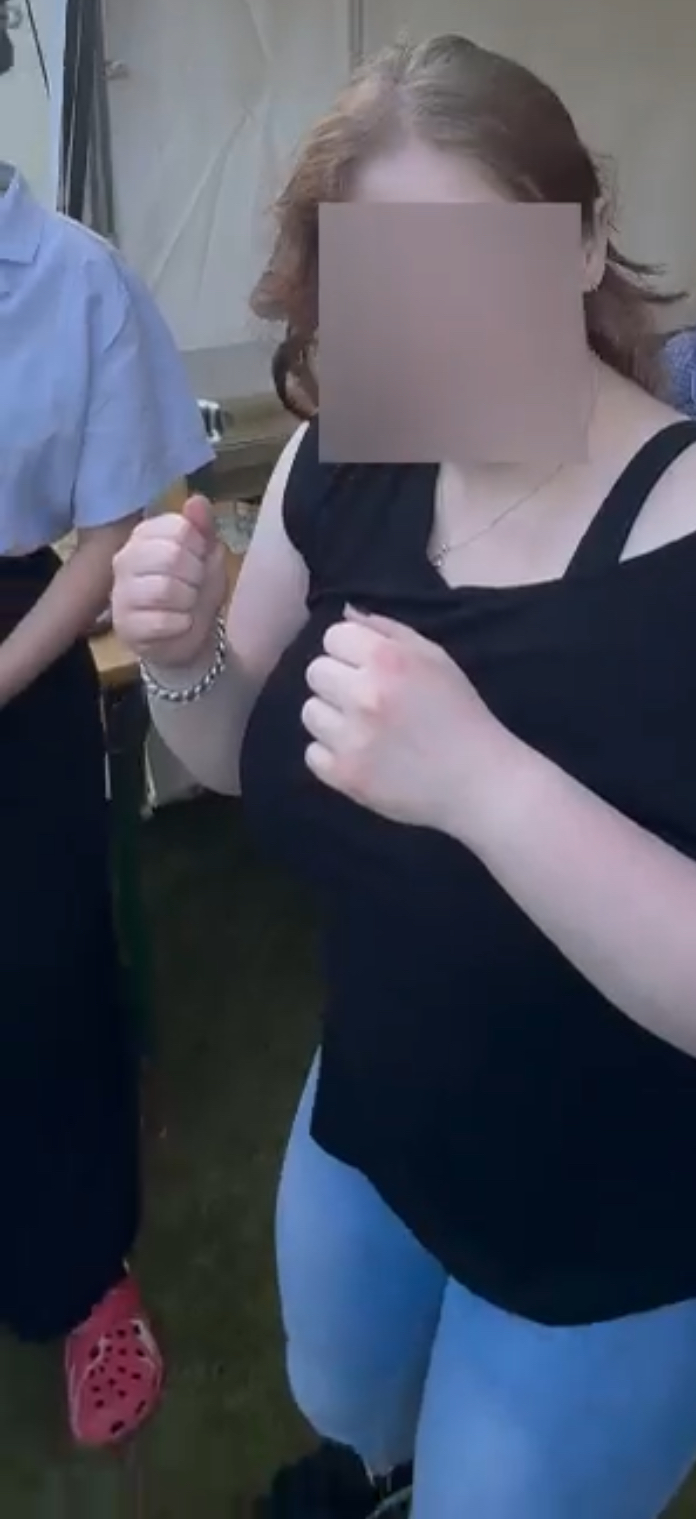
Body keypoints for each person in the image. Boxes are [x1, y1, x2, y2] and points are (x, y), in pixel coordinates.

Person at [109, 35, 696, 1519]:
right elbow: (230, 755)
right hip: (381, 1110)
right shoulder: (345, 459)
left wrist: (483, 779)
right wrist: (179, 653)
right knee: (347, 1409)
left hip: (637, 1210)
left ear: (585, 242)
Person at [0, 161, 213, 1444]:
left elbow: (110, 534)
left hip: (18, 650)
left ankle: (86, 1278)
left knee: (42, 982)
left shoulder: (76, 281)